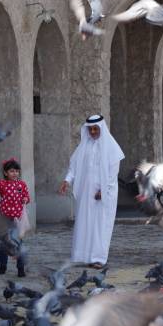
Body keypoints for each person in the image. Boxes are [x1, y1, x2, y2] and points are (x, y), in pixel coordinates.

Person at [59, 114, 125, 269]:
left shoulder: (111, 147)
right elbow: (74, 167)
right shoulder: (84, 146)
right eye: (90, 129)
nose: (93, 132)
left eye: (96, 129)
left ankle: (99, 258)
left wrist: (104, 189)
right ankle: (86, 255)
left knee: (101, 225)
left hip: (104, 193)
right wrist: (67, 180)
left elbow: (112, 172)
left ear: (101, 128)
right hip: (86, 193)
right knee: (85, 223)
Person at [0, 158, 30, 277]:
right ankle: (3, 266)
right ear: (6, 173)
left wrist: (26, 199)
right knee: (4, 243)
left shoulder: (22, 185)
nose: (15, 173)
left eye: (17, 171)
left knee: (18, 243)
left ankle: (20, 268)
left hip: (17, 220)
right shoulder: (2, 184)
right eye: (12, 171)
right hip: (4, 218)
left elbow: (27, 196)